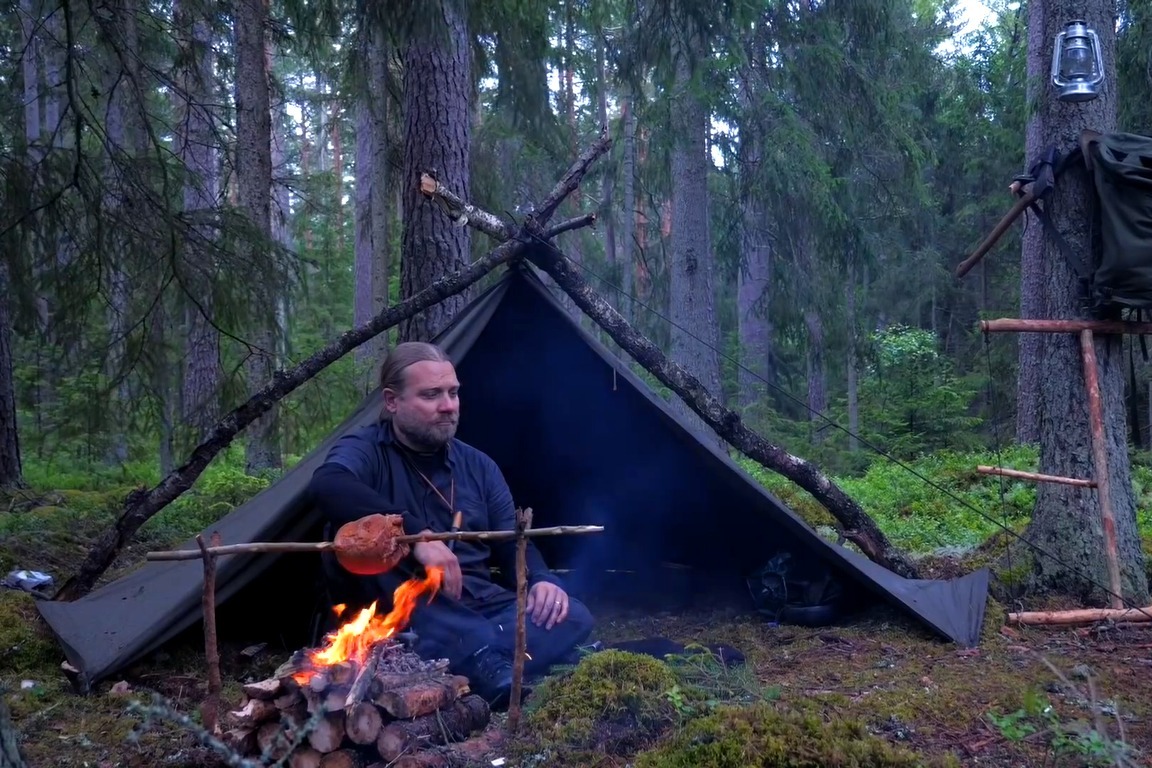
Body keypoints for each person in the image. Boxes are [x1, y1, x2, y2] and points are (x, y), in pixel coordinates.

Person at [306, 341, 595, 707]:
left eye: (453, 393)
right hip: (408, 607)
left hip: (475, 603)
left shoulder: (479, 466)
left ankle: (481, 652)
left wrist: (541, 579)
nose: (448, 406)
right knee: (352, 539)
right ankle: (490, 657)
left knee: (573, 614)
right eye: (431, 395)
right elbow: (327, 484)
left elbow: (509, 544)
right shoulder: (366, 449)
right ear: (392, 401)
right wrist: (415, 535)